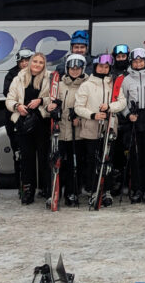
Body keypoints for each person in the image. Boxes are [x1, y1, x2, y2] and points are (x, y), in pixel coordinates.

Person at [74, 54, 127, 207]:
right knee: (92, 160)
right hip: (91, 127)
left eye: (106, 67)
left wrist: (110, 107)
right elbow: (78, 107)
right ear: (95, 67)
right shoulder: (87, 85)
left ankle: (107, 190)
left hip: (109, 126)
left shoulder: (114, 84)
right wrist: (93, 114)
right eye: (100, 66)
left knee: (107, 159)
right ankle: (93, 189)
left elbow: (122, 102)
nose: (103, 69)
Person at [5, 52, 52, 204]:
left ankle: (47, 189)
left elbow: (54, 98)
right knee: (27, 159)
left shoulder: (49, 78)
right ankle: (28, 191)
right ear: (30, 62)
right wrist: (18, 106)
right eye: (35, 61)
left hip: (42, 121)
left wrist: (41, 100)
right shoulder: (18, 78)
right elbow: (9, 99)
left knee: (44, 158)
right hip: (23, 122)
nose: (37, 65)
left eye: (41, 62)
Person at [119, 48, 145, 204]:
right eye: (135, 61)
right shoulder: (126, 80)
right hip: (134, 118)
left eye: (141, 61)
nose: (138, 64)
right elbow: (122, 101)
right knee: (135, 156)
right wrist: (128, 114)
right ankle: (136, 189)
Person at [49, 53, 88, 206]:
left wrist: (80, 117)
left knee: (74, 164)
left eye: (78, 68)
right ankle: (55, 190)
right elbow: (49, 100)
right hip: (60, 130)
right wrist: (51, 108)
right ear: (67, 68)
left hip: (76, 132)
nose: (74, 71)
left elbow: (91, 105)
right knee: (58, 162)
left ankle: (72, 192)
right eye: (72, 68)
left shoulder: (86, 84)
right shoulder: (59, 83)